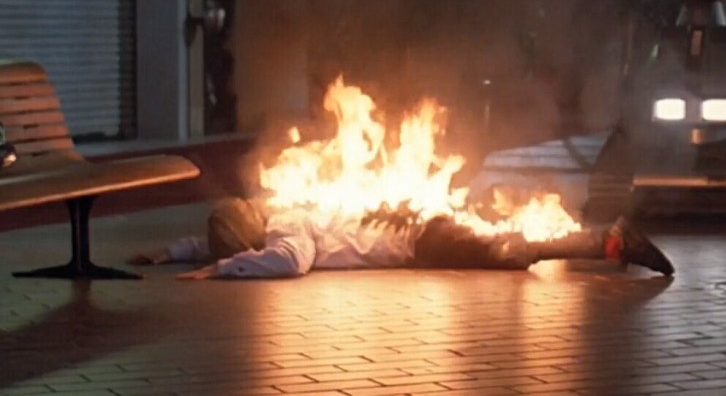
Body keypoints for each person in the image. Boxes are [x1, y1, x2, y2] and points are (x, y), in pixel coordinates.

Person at [130, 197, 674, 279]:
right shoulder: (281, 214)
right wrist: (173, 253)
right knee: (506, 247)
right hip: (423, 235)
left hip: (422, 241)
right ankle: (605, 241)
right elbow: (226, 241)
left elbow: (287, 261)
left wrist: (222, 268)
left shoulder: (282, 227)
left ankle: (607, 241)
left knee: (509, 253)